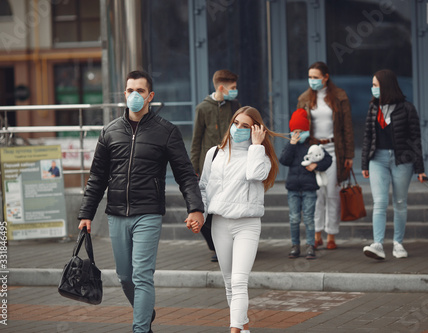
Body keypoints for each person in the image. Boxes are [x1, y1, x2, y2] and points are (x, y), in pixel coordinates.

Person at [77, 70, 204, 333]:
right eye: (130, 90)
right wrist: (86, 213)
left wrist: (195, 208)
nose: (134, 95)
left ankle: (141, 328)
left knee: (142, 275)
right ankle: (145, 313)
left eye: (140, 91)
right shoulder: (109, 131)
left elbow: (185, 174)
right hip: (116, 214)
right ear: (124, 94)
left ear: (150, 96)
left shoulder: (166, 132)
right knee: (125, 277)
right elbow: (97, 178)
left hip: (148, 212)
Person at [199, 106, 281, 333]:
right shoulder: (214, 153)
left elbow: (256, 175)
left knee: (239, 281)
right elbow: (204, 188)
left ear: (256, 129)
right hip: (220, 223)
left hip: (247, 224)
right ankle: (243, 327)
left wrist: (256, 145)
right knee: (228, 283)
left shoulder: (260, 156)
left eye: (246, 126)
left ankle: (234, 330)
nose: (239, 129)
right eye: (236, 123)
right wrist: (199, 216)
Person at [361, 69, 426, 260]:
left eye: (375, 85)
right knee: (379, 202)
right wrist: (364, 163)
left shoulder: (407, 108)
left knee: (399, 202)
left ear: (386, 86)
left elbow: (416, 139)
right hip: (377, 160)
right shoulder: (373, 108)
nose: (372, 88)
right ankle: (378, 245)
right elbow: (367, 137)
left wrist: (420, 169)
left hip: (402, 160)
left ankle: (398, 244)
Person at [297, 61, 355, 250]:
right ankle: (316, 234)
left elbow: (347, 127)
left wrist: (349, 154)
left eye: (316, 77)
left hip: (334, 149)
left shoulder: (339, 96)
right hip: (314, 150)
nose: (312, 80)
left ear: (326, 77)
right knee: (316, 193)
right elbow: (299, 125)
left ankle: (331, 235)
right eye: (310, 77)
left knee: (332, 193)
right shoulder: (304, 98)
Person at [191, 69, 241, 262]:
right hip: (209, 167)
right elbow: (196, 141)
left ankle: (231, 244)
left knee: (229, 205)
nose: (236, 91)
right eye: (233, 88)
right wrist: (194, 169)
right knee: (208, 207)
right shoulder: (203, 108)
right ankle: (215, 246)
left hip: (232, 164)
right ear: (222, 87)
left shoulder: (234, 105)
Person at [279, 108, 332, 259]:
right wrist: (291, 144)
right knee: (294, 218)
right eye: (294, 131)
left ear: (306, 130)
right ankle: (295, 245)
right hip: (293, 189)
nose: (298, 134)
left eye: (300, 131)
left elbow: (328, 159)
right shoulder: (291, 146)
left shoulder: (313, 145)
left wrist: (317, 165)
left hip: (309, 188)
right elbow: (284, 160)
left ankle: (310, 245)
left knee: (309, 217)